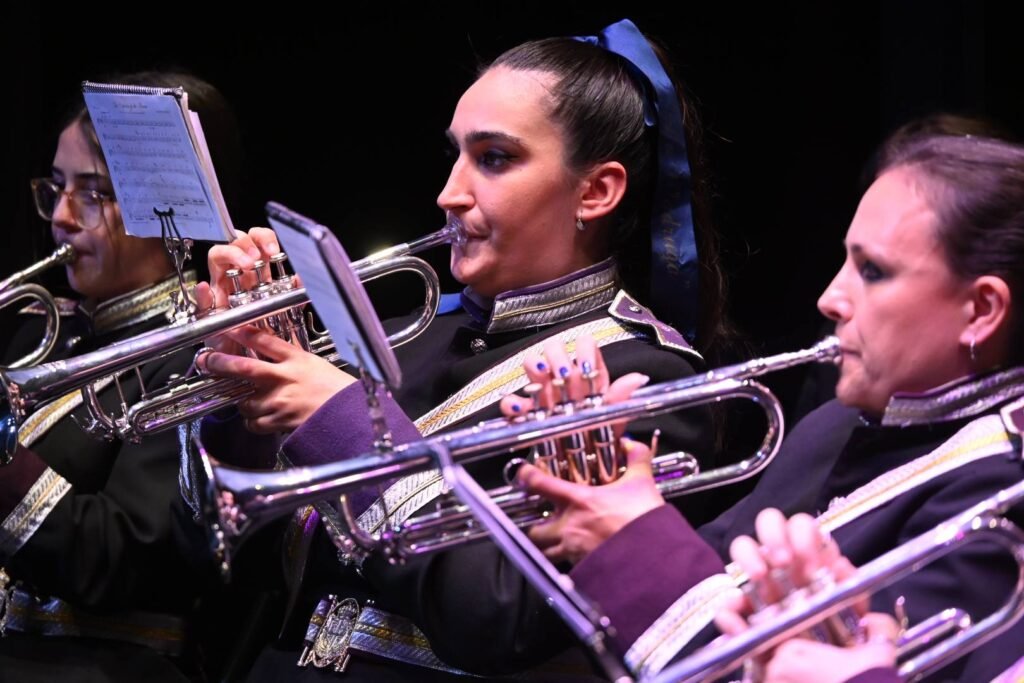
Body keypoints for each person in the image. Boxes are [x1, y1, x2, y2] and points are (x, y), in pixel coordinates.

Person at [195, 18, 735, 680]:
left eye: (495, 158)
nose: (448, 193)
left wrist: (340, 423)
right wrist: (245, 392)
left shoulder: (646, 374)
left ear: (596, 192)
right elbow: (223, 561)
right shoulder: (412, 332)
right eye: (455, 154)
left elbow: (499, 617)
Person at [514, 128, 1024, 681]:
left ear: (981, 311)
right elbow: (716, 581)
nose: (829, 299)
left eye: (873, 271)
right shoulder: (835, 423)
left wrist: (627, 538)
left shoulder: (1004, 496)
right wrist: (597, 480)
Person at [0, 71, 244, 682]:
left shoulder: (202, 353)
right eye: (56, 187)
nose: (61, 216)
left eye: (94, 193)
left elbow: (122, 559)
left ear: (172, 209)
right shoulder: (39, 328)